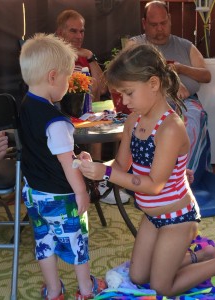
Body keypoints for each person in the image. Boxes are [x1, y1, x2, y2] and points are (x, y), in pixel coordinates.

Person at [78, 43, 215, 297]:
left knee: (162, 286)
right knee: (139, 276)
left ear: (153, 84)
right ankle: (200, 254)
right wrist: (92, 165)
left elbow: (154, 185)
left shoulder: (170, 128)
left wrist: (105, 174)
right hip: (152, 216)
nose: (124, 101)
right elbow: (121, 165)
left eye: (128, 93)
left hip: (178, 218)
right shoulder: (134, 120)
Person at [19, 33, 107, 300]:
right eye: (68, 78)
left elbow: (42, 150)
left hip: (34, 194)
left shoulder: (24, 106)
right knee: (75, 240)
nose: (69, 83)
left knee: (44, 242)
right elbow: (65, 162)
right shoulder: (56, 121)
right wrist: (81, 191)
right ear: (53, 77)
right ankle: (86, 289)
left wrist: (79, 156)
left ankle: (54, 290)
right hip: (60, 196)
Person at [127, 0, 212, 186]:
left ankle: (181, 179)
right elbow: (124, 74)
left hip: (186, 103)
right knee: (139, 124)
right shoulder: (135, 45)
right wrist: (170, 84)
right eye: (153, 24)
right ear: (144, 24)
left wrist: (181, 69)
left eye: (163, 23)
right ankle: (152, 179)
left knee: (192, 119)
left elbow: (206, 75)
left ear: (170, 20)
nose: (159, 29)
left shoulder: (185, 45)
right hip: (148, 106)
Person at [56, 9, 107, 102]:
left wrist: (90, 57)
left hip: (87, 112)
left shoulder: (84, 55)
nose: (79, 36)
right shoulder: (51, 56)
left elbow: (102, 89)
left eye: (81, 31)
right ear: (60, 33)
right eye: (73, 31)